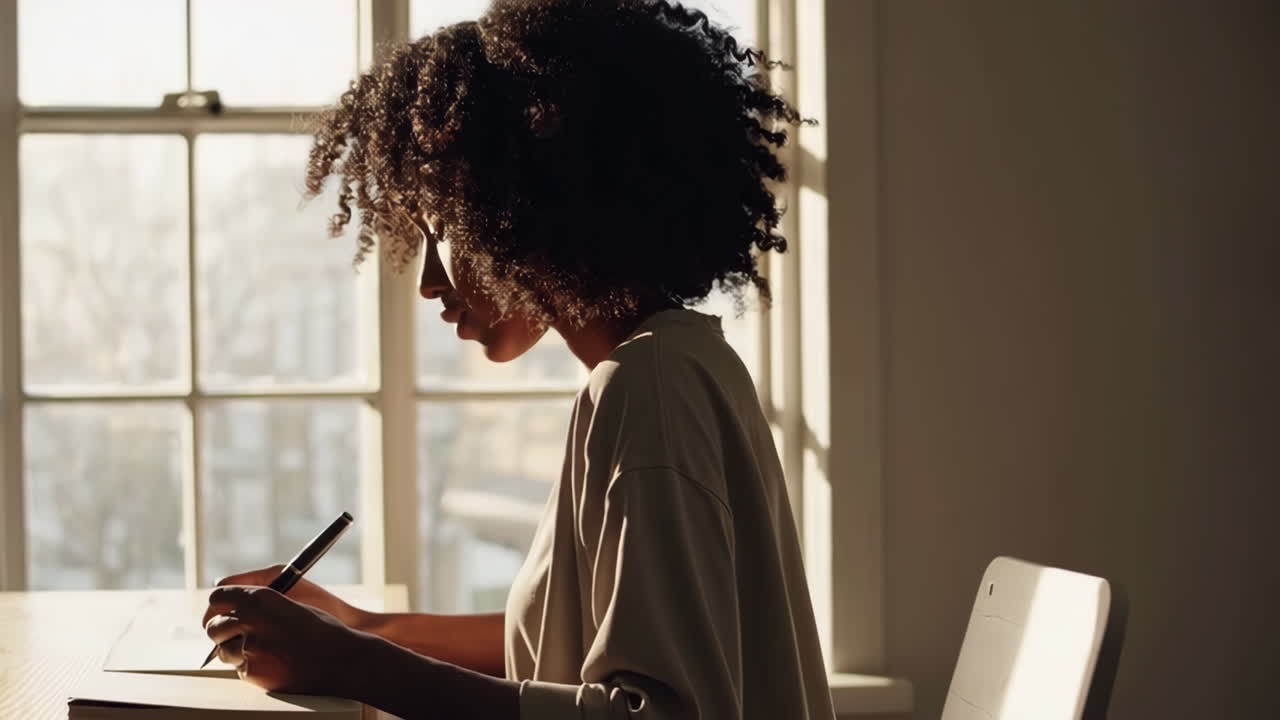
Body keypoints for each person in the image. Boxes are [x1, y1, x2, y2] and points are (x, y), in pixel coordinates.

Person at [201, 1, 834, 718]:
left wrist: (354, 664)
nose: (430, 282)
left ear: (531, 209)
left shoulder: (649, 389)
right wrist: (361, 628)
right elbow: (557, 641)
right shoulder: (670, 364)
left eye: (445, 234)